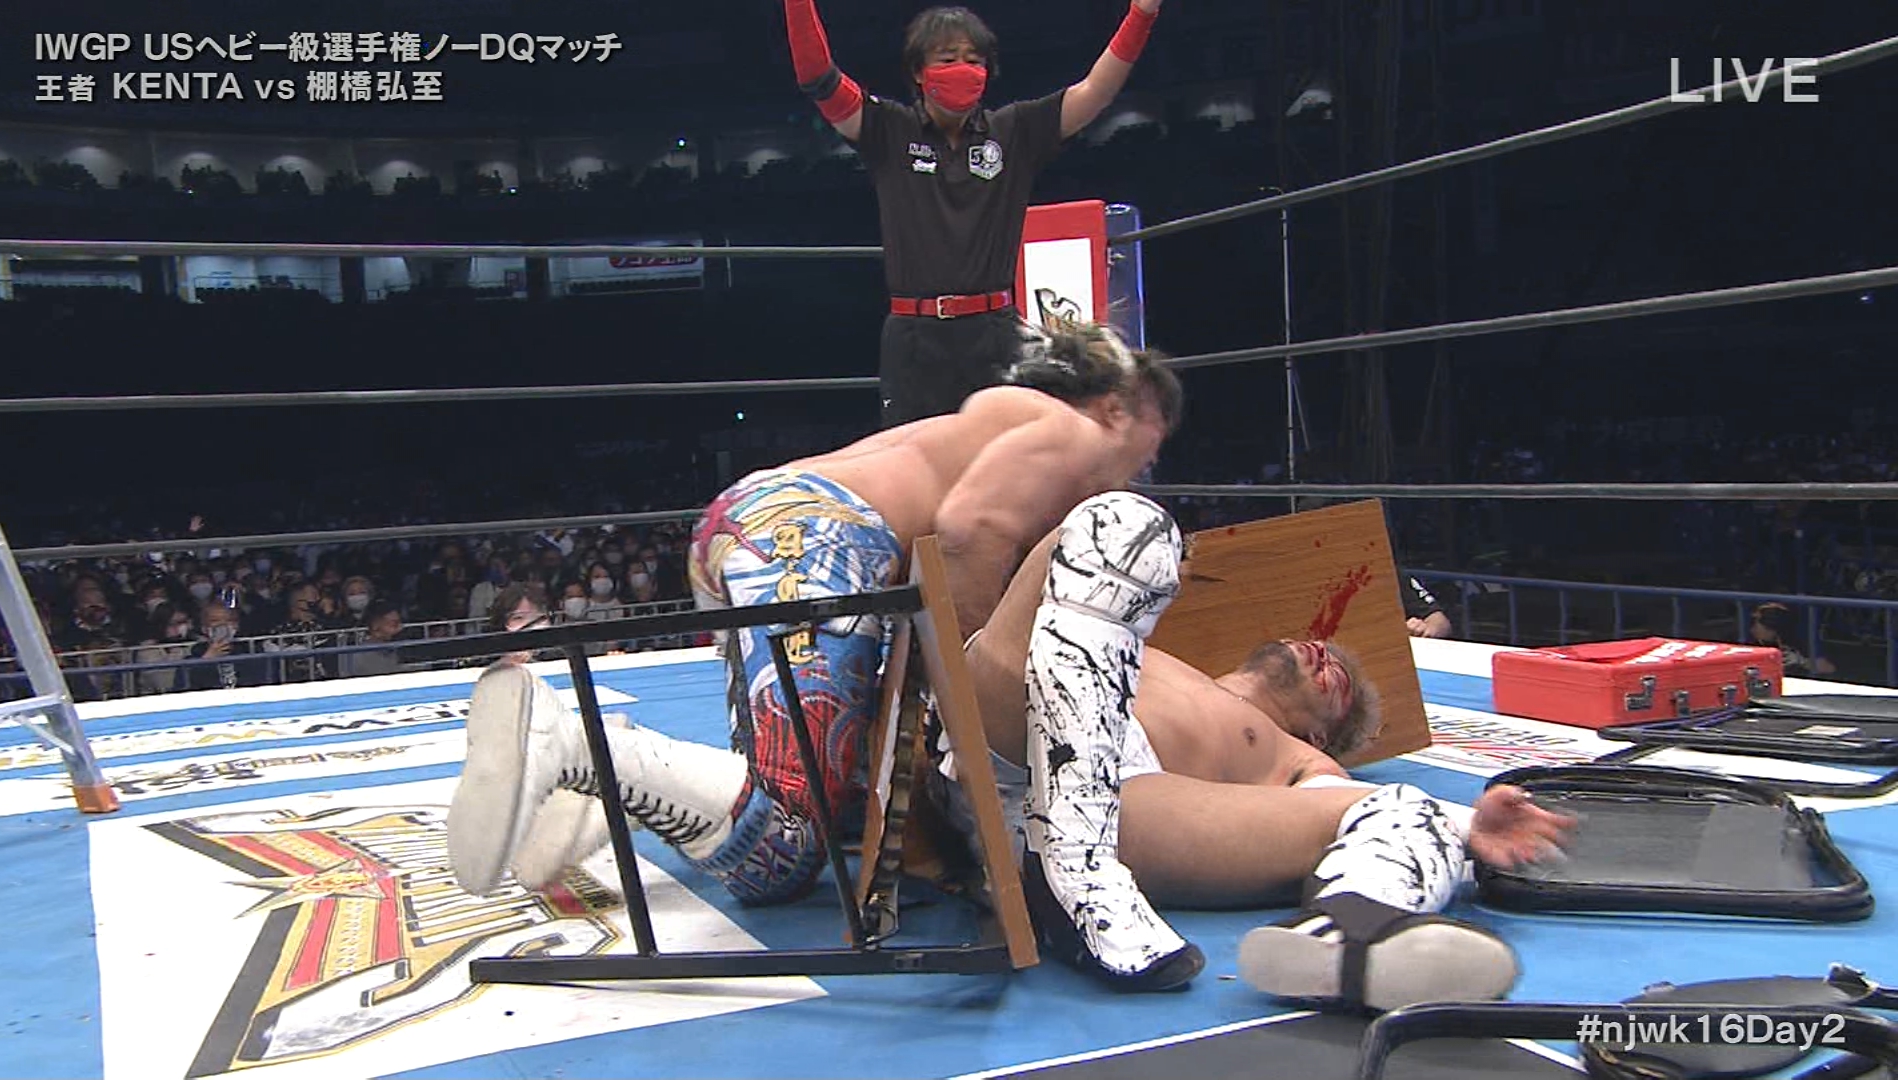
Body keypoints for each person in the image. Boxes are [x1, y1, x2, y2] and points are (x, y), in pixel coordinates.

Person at [443, 323, 1183, 904]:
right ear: (1120, 409)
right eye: (1150, 449)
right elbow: (968, 530)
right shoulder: (1075, 434)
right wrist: (969, 702)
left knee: (810, 810)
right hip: (812, 538)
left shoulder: (1008, 421)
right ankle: (580, 743)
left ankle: (602, 788)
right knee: (785, 843)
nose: (1143, 471)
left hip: (763, 522)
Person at [937, 509, 1573, 996]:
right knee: (1117, 522)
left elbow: (1347, 801)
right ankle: (1061, 867)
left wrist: (1465, 823)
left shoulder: (1293, 755)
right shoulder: (1145, 647)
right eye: (1319, 647)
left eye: (1335, 681)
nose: (1322, 655)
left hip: (1118, 805)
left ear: (1320, 735)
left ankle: (1348, 935)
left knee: (1408, 809)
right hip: (1007, 732)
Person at [781, 0, 1165, 425]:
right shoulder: (887, 129)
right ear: (918, 71)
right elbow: (818, 77)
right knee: (915, 459)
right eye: (947, 59)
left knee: (1003, 456)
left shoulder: (1014, 130)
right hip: (915, 338)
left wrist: (1141, 13)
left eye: (973, 60)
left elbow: (1096, 91)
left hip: (994, 332)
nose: (963, 69)